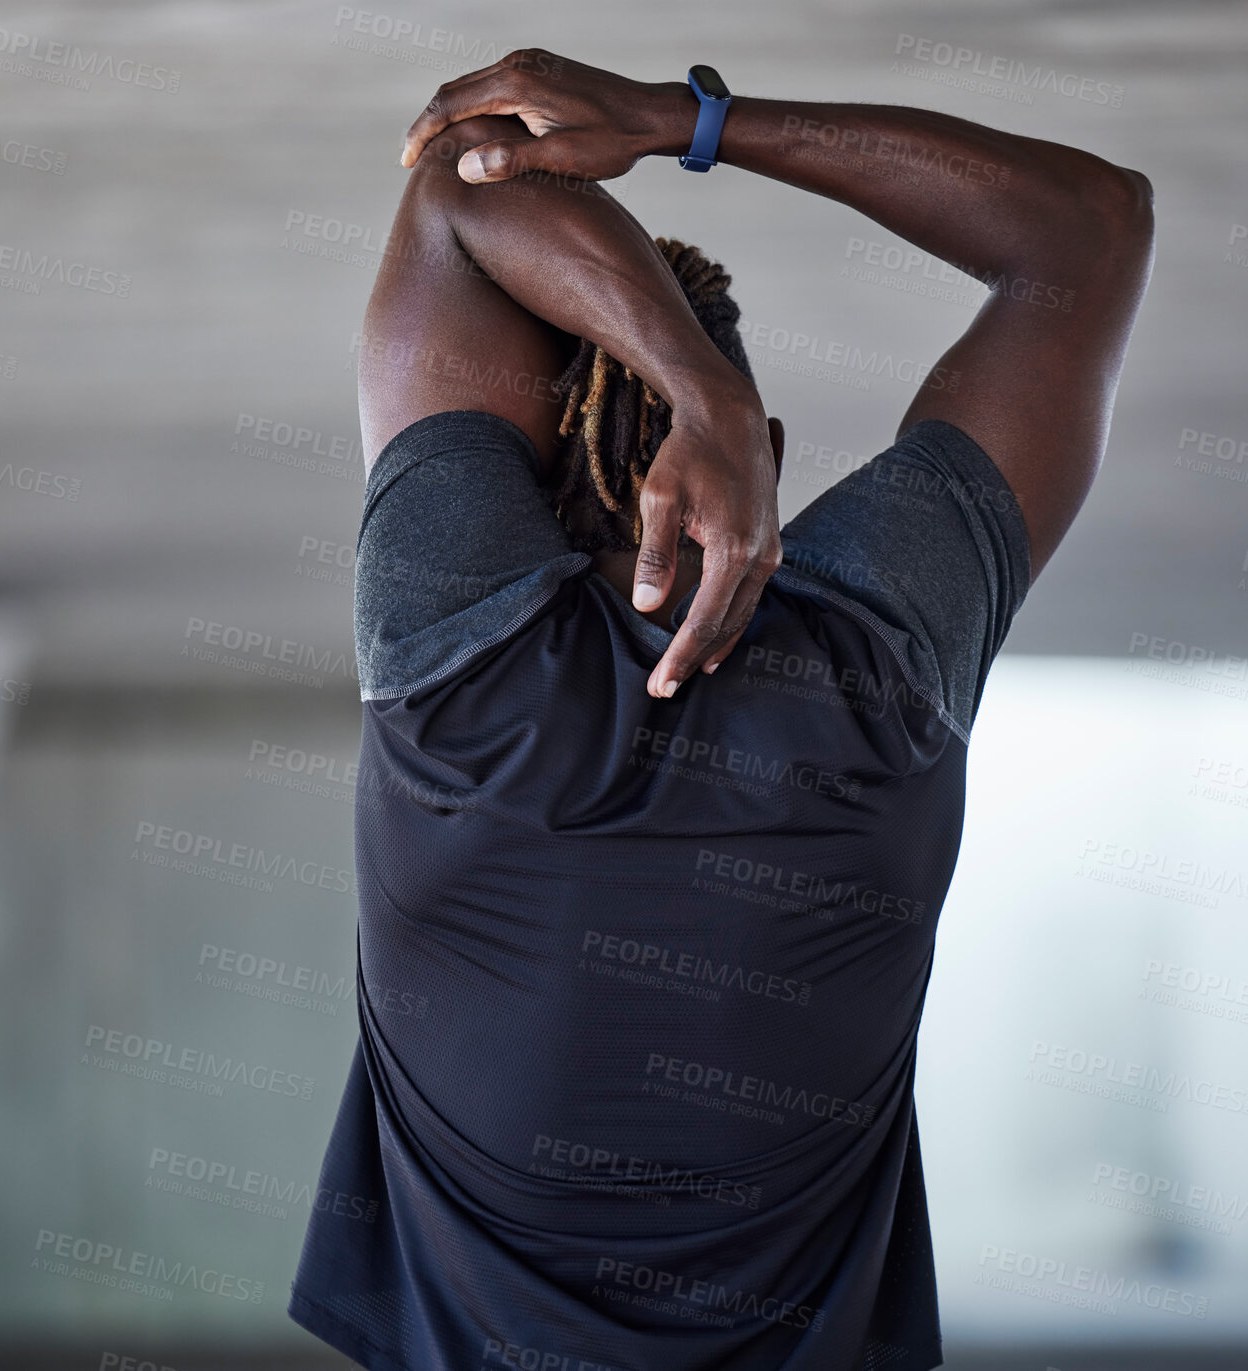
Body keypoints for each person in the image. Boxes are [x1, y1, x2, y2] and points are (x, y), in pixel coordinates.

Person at [287, 50, 1154, 1371]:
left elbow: (475, 185)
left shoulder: (870, 683)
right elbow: (1088, 228)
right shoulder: (457, 679)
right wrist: (682, 128)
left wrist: (704, 389)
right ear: (766, 460)